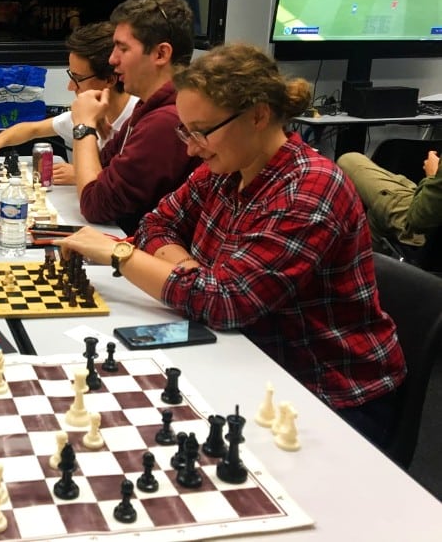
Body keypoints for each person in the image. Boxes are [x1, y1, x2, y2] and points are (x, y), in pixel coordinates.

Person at [57, 43, 406, 445]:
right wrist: (194, 275)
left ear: (257, 115)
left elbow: (227, 302)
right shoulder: (224, 169)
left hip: (329, 392)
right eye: (185, 131)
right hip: (244, 354)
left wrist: (120, 253)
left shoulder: (310, 188)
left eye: (201, 132)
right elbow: (156, 225)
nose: (190, 147)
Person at [69, 0, 199, 234]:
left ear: (161, 54)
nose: (112, 59)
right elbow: (104, 168)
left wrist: (83, 127)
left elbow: (94, 204)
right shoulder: (148, 107)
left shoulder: (167, 121)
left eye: (123, 48)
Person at [0, 22, 137, 185]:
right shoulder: (91, 111)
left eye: (77, 78)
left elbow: (132, 187)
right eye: (71, 76)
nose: (70, 87)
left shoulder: (142, 121)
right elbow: (33, 129)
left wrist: (86, 175)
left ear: (110, 80)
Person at [337, 149, 442, 249]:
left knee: (348, 160)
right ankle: (370, 259)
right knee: (375, 215)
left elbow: (418, 220)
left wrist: (432, 176)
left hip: (424, 221)